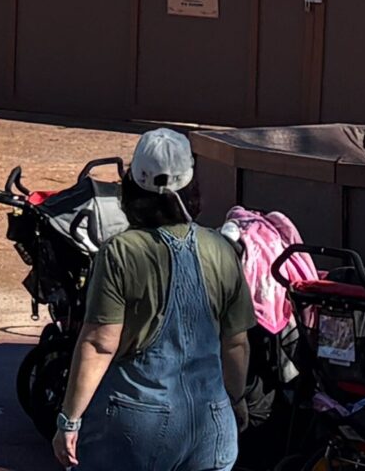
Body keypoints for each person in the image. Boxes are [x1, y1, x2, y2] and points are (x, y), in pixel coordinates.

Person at [52, 129, 250, 471]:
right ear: (191, 185)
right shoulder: (222, 249)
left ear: (132, 185)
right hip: (212, 422)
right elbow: (236, 343)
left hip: (137, 422)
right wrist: (237, 400)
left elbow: (99, 344)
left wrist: (69, 420)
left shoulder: (120, 252)